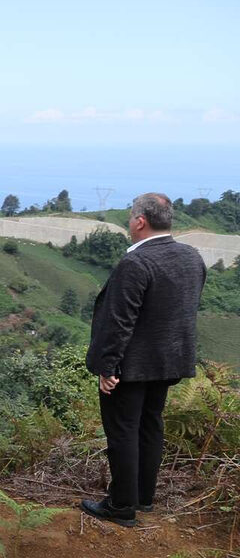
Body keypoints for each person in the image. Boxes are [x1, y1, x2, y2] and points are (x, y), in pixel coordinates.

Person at [82, 192, 205, 527]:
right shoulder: (191, 257)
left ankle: (121, 506)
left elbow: (119, 320)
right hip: (168, 361)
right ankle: (143, 498)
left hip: (131, 366)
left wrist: (109, 366)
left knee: (123, 430)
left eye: (130, 216)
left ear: (140, 221)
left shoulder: (136, 263)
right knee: (151, 424)